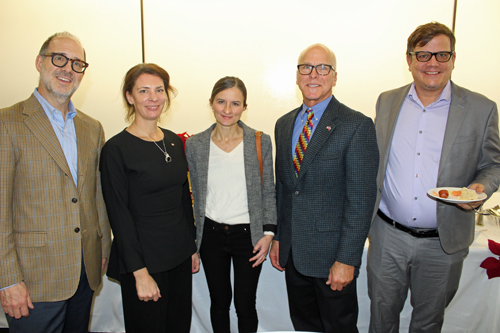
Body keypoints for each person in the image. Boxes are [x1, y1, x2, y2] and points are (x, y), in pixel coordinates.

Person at [367, 22, 500, 333]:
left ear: (454, 59)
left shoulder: (481, 108)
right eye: (423, 55)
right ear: (409, 60)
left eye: (442, 55)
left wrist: (480, 188)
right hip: (388, 237)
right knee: (380, 319)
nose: (433, 64)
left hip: (443, 241)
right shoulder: (387, 101)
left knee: (428, 324)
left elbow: (493, 164)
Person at [0, 32, 111, 333]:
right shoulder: (7, 123)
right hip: (34, 280)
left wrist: (103, 249)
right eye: (59, 58)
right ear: (39, 62)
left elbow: (96, 194)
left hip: (84, 272)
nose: (68, 69)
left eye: (77, 64)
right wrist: (7, 279)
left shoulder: (91, 127)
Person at [270, 44, 379, 332]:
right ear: (297, 75)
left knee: (338, 327)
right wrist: (280, 237)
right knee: (305, 327)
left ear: (334, 76)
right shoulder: (284, 125)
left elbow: (361, 200)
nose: (313, 74)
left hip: (332, 257)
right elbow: (284, 188)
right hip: (294, 254)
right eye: (306, 67)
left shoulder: (356, 125)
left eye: (323, 68)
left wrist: (347, 259)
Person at [99, 63, 198, 333]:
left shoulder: (174, 142)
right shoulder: (116, 149)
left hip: (178, 255)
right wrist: (139, 273)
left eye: (159, 90)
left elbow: (182, 198)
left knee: (178, 327)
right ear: (130, 97)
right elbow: (119, 215)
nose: (153, 98)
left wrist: (190, 246)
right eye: (144, 91)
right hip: (144, 260)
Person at [185, 76, 277, 333]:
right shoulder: (195, 145)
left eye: (235, 104)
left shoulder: (259, 141)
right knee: (219, 302)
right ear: (211, 103)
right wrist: (193, 242)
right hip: (212, 235)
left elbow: (268, 190)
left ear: (245, 107)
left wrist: (268, 233)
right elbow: (192, 197)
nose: (227, 110)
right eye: (221, 102)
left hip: (249, 236)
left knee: (245, 304)